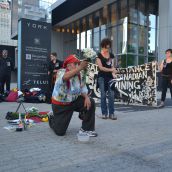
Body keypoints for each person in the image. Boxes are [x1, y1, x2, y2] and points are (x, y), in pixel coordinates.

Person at [48, 54, 97, 137]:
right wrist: (80, 67)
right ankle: (52, 117)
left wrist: (86, 97)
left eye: (79, 64)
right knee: (60, 132)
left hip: (73, 101)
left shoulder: (79, 74)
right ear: (69, 65)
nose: (79, 66)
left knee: (90, 102)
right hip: (61, 106)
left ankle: (86, 129)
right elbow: (64, 78)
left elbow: (81, 89)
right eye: (76, 64)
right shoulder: (61, 72)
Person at [96, 38, 117, 120]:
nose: (107, 49)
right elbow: (101, 68)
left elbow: (113, 66)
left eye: (108, 48)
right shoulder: (98, 56)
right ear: (103, 46)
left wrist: (114, 73)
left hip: (110, 77)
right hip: (102, 77)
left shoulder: (111, 55)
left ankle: (111, 113)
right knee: (103, 95)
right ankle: (104, 113)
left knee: (111, 95)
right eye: (105, 47)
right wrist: (111, 70)